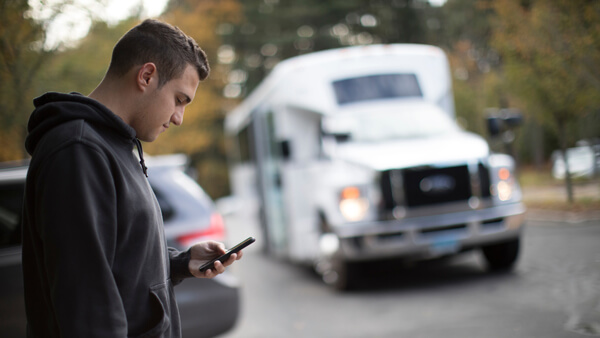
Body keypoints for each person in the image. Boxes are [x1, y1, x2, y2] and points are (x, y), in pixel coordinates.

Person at [21, 19, 242, 337]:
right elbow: (88, 306)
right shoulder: (79, 151)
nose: (179, 118)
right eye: (179, 100)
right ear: (147, 76)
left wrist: (181, 263)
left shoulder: (116, 145)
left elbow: (118, 259)